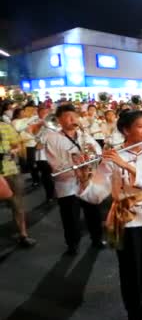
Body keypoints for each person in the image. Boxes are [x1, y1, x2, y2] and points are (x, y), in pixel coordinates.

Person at [77, 110, 142, 320]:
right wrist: (83, 180)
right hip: (124, 219)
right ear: (126, 130)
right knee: (129, 270)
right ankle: (133, 313)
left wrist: (125, 164)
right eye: (140, 126)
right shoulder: (111, 156)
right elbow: (96, 194)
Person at [46, 104, 105, 255]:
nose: (73, 120)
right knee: (70, 217)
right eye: (68, 117)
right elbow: (55, 165)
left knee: (94, 213)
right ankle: (72, 244)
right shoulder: (53, 138)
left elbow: (98, 152)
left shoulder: (84, 134)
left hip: (88, 182)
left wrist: (93, 154)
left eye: (75, 116)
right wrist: (76, 164)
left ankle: (97, 238)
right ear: (59, 120)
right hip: (67, 185)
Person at [0, 119, 37, 247]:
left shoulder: (5, 126)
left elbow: (17, 145)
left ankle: (23, 234)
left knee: (18, 204)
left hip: (9, 170)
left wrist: (13, 151)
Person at [32, 106, 55, 202]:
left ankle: (57, 192)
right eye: (43, 113)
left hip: (53, 153)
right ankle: (49, 195)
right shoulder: (35, 122)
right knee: (46, 176)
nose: (46, 114)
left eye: (47, 112)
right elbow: (34, 134)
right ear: (39, 114)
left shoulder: (54, 122)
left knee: (56, 175)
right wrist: (40, 125)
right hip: (41, 154)